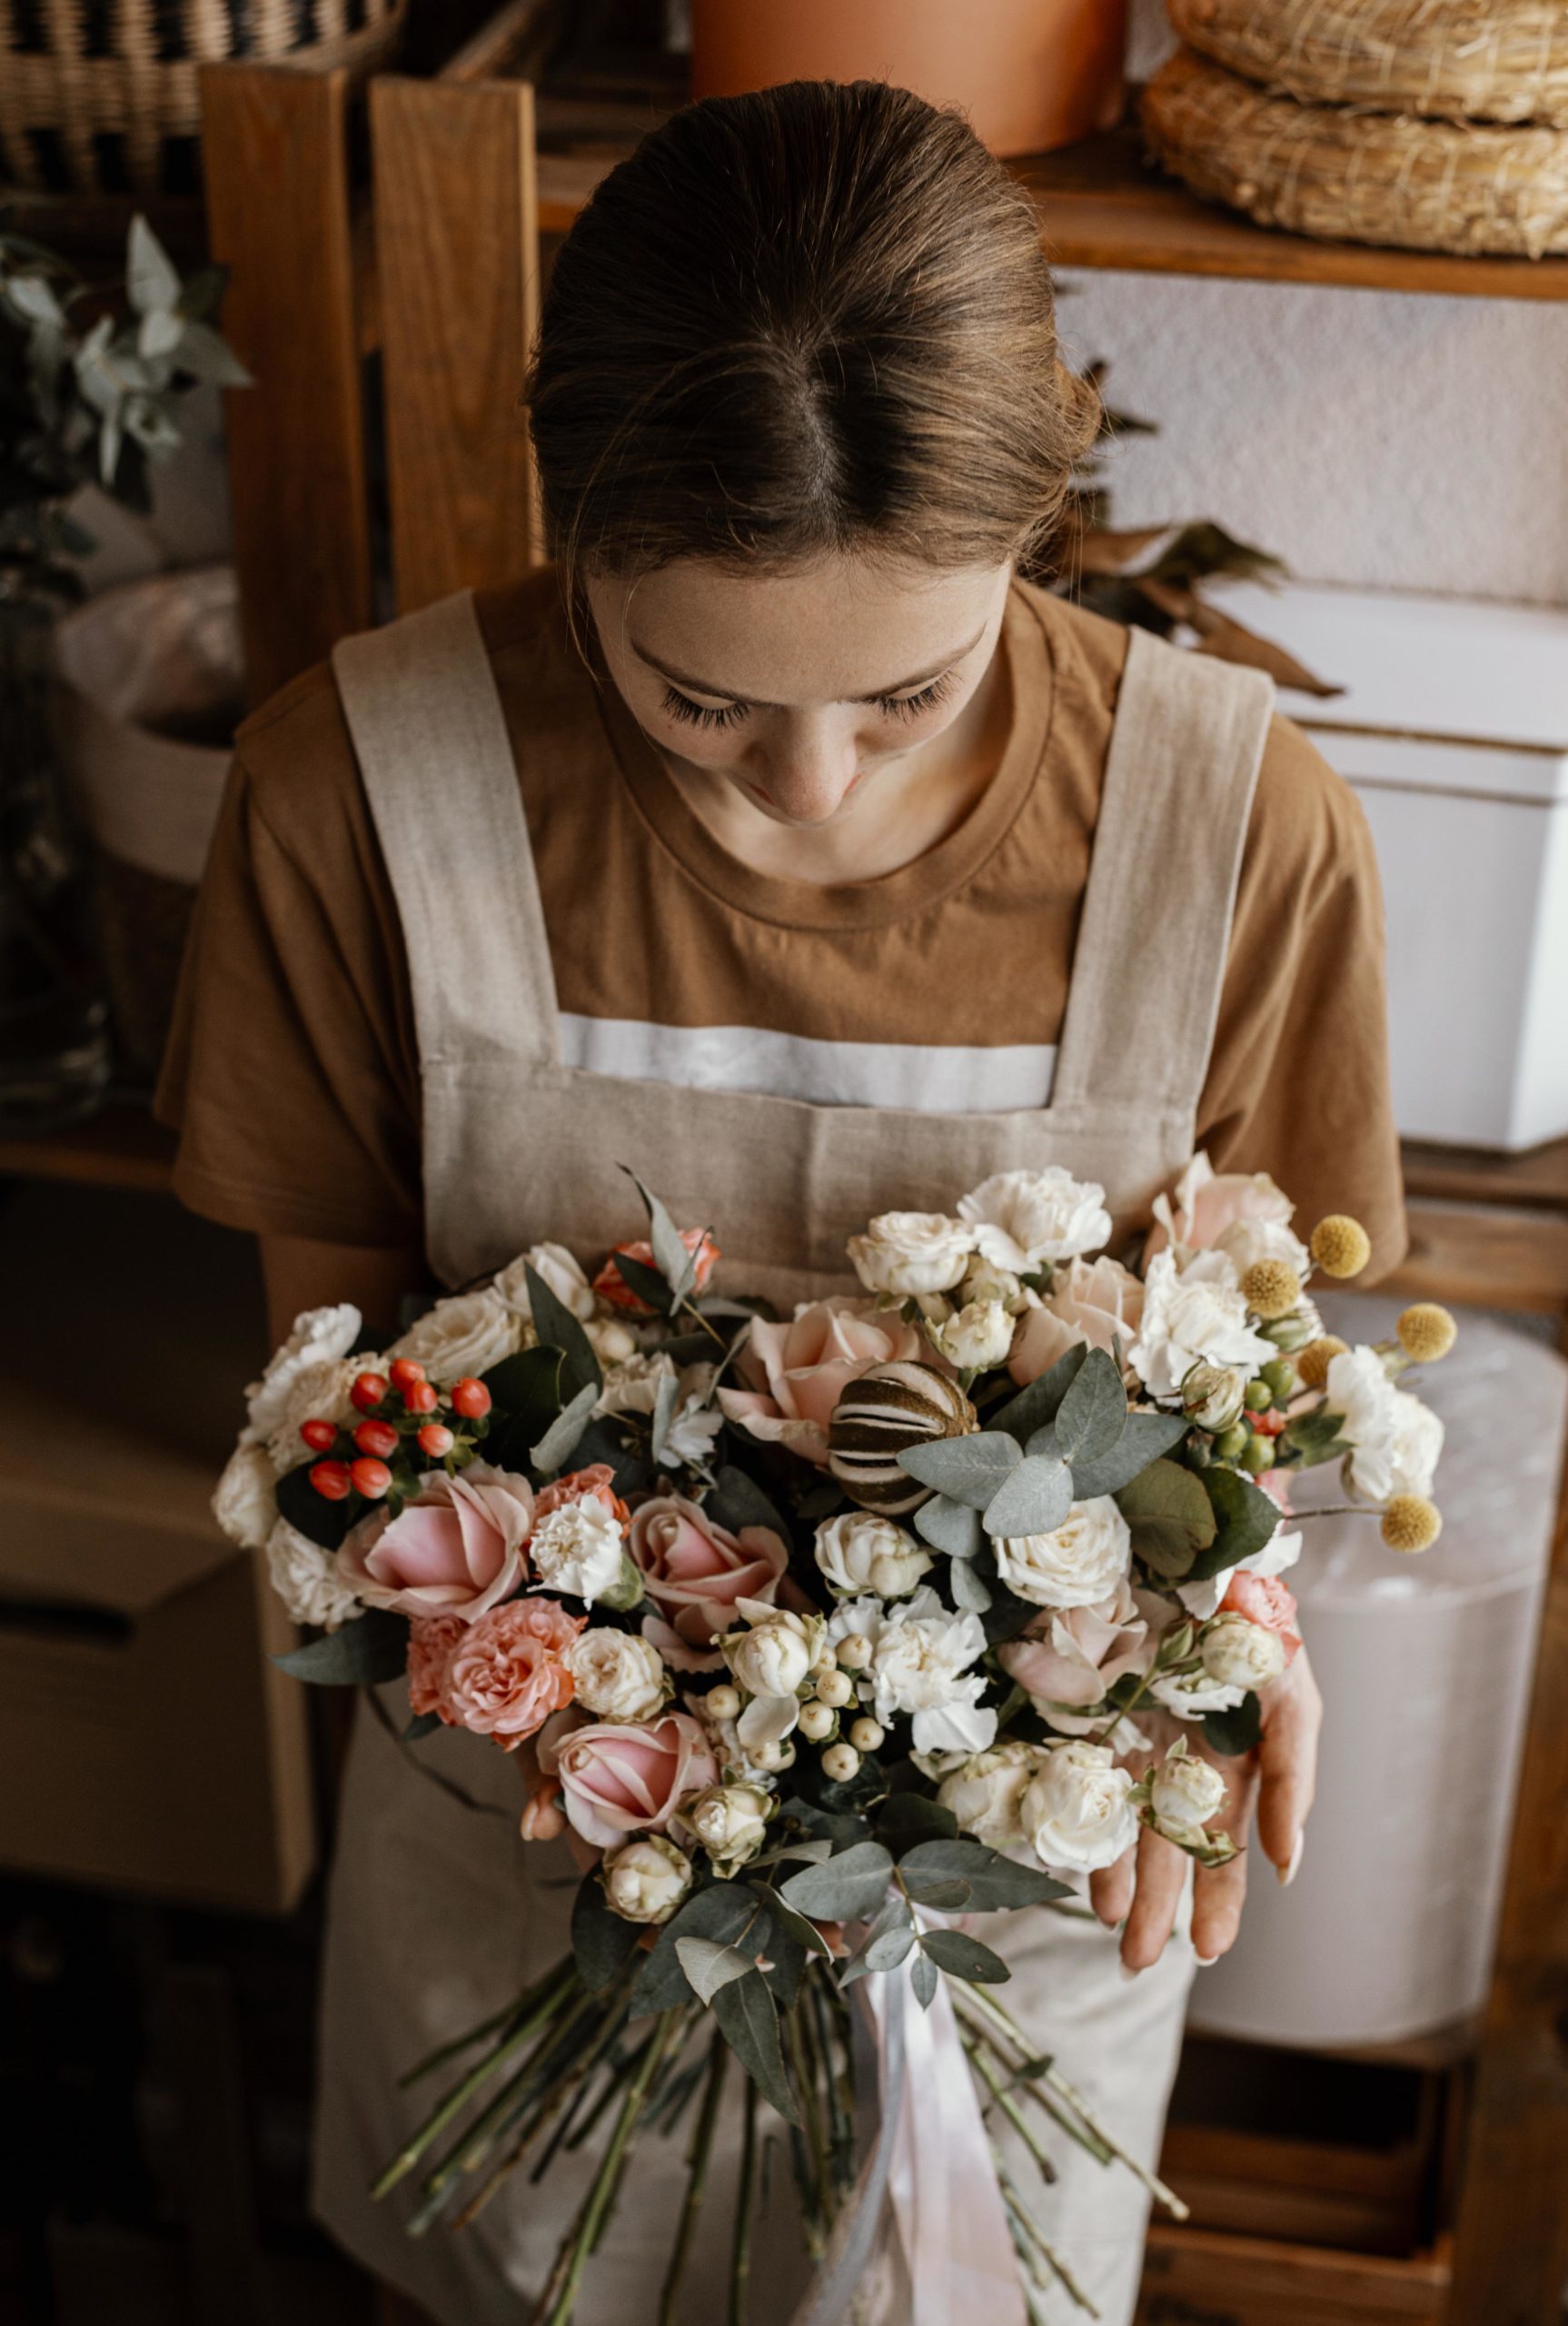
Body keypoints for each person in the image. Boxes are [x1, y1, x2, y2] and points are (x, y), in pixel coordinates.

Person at [159, 77, 1404, 2326]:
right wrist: (642, 1684)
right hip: (527, 1879)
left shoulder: (1241, 830)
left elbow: (1264, 1390)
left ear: (1032, 521)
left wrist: (1237, 1609)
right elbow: (331, 1424)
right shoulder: (358, 791)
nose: (802, 789)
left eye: (910, 694)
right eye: (694, 695)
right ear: (579, 527)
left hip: (1016, 1931)